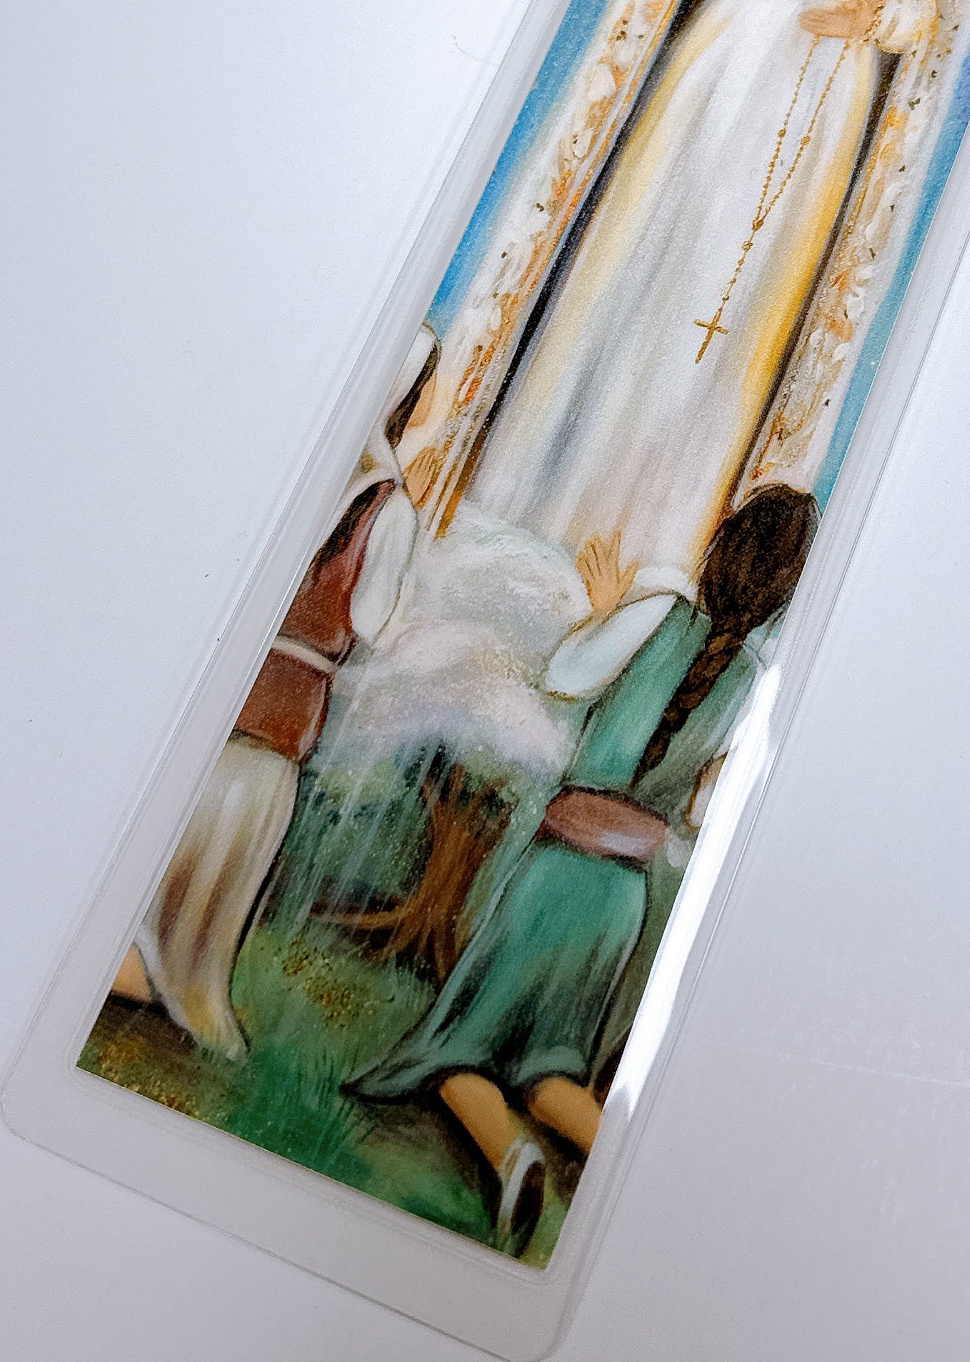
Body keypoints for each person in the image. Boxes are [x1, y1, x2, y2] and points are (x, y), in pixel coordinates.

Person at [466, 0, 970, 573]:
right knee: (651, 243)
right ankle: (535, 487)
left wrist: (873, 18)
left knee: (735, 284)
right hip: (728, 47)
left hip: (822, 83)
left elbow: (936, 15)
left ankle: (652, 537)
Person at [349, 485, 818, 1253]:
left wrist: (604, 611)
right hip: (620, 901)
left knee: (456, 1047)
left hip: (553, 872)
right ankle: (634, 1184)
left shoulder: (656, 611)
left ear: (722, 545)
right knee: (551, 1066)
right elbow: (701, 813)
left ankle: (512, 1154)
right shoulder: (750, 686)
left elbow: (564, 675)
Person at [110, 327, 439, 1058]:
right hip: (276, 712)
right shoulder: (389, 509)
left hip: (207, 689)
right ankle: (163, 981)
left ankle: (134, 966)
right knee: (212, 874)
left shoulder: (293, 453)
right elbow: (378, 624)